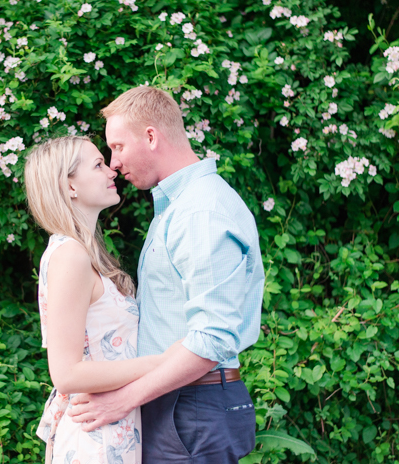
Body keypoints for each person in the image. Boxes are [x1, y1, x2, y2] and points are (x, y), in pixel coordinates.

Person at [67, 86, 265, 463]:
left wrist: (122, 400)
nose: (113, 163)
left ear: (151, 136)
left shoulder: (201, 212)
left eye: (118, 147)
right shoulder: (178, 208)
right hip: (178, 402)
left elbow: (211, 339)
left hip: (190, 407)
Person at [24, 135, 182, 464]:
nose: (112, 169)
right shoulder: (70, 256)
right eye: (97, 165)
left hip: (110, 433)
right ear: (69, 187)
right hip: (95, 442)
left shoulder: (83, 253)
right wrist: (165, 361)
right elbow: (66, 374)